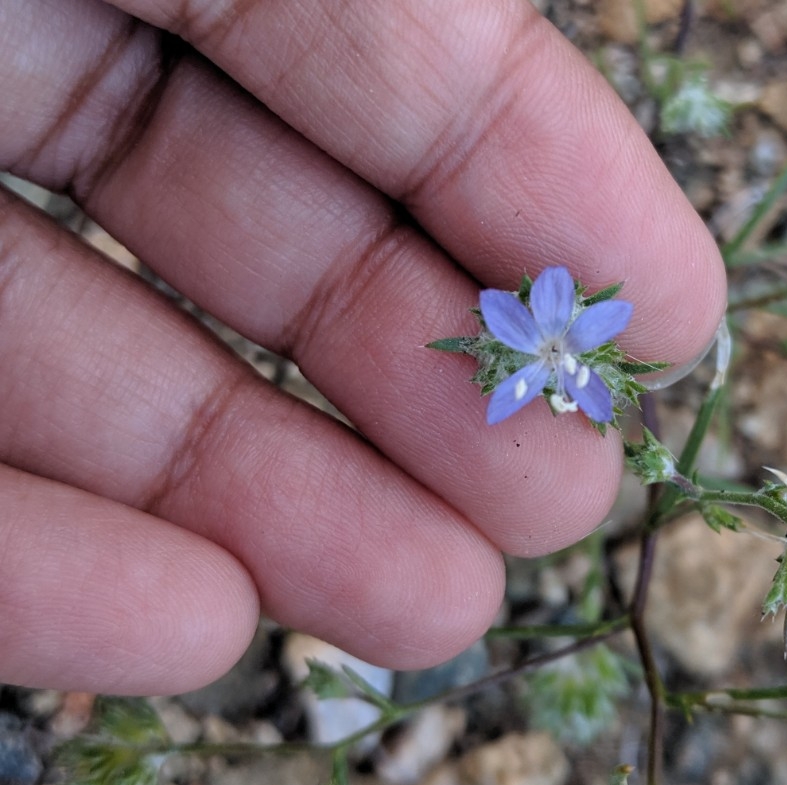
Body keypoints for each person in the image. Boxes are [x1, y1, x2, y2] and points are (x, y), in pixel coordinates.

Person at [0, 0, 726, 696]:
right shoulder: (528, 334)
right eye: (554, 361)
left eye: (560, 367)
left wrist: (558, 365)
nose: (558, 369)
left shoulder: (557, 361)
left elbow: (568, 361)